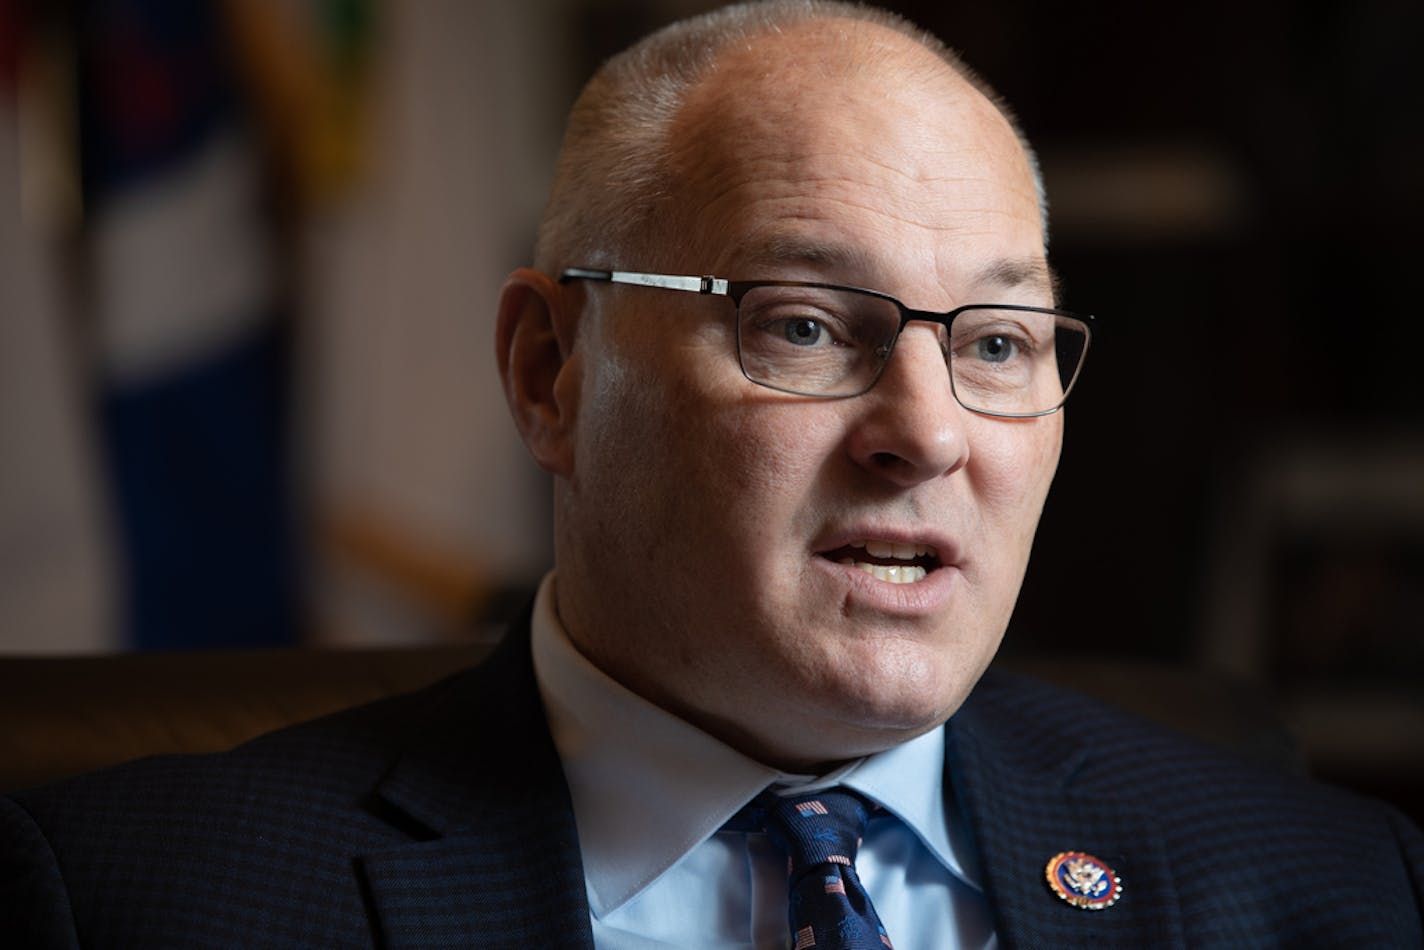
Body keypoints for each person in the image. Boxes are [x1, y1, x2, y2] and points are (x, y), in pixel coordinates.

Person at [3, 2, 1421, 947]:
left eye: (994, 341)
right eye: (804, 324)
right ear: (548, 371)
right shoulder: (138, 900)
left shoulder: (1333, 891)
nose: (926, 433)